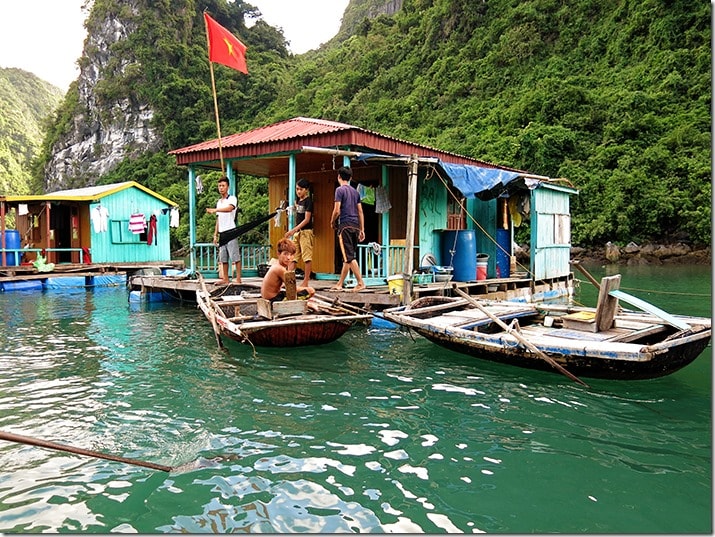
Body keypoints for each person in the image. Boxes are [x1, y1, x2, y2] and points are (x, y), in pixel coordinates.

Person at [330, 166, 366, 292]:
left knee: (349, 257)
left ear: (339, 176)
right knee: (347, 257)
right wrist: (362, 229)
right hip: (355, 226)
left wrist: (332, 221)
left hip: (344, 225)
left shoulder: (339, 190)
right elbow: (360, 211)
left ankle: (360, 283)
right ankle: (340, 284)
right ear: (350, 178)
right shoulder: (355, 192)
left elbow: (337, 210)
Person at [206, 176, 241, 284]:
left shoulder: (232, 199)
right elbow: (218, 219)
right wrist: (215, 234)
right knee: (223, 257)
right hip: (222, 232)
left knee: (235, 256)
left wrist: (215, 210)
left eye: (223, 186)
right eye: (219, 186)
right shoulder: (219, 202)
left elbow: (230, 208)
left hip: (231, 230)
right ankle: (225, 279)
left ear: (227, 187)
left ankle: (238, 278)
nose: (221, 188)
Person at [284, 178, 314, 287]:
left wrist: (293, 230)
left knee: (307, 257)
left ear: (306, 190)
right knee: (293, 256)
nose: (298, 191)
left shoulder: (308, 201)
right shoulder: (299, 201)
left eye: (300, 189)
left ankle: (306, 280)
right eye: (297, 189)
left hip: (306, 232)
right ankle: (288, 280)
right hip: (298, 233)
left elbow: (306, 219)